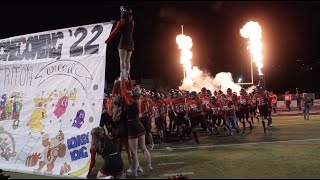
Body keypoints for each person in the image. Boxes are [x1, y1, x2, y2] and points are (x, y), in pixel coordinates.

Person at [119, 77, 152, 177]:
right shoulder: (138, 100)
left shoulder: (130, 101)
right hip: (139, 125)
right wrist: (128, 78)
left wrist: (122, 79)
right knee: (143, 148)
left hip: (132, 126)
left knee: (133, 152)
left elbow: (122, 89)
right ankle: (149, 166)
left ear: (133, 94)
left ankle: (134, 172)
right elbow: (128, 91)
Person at [105, 5, 134, 80]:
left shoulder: (121, 21)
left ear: (123, 13)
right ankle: (127, 76)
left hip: (123, 41)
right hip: (130, 42)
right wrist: (115, 22)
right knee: (128, 60)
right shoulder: (132, 22)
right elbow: (124, 23)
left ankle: (122, 76)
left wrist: (107, 40)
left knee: (122, 60)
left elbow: (114, 32)